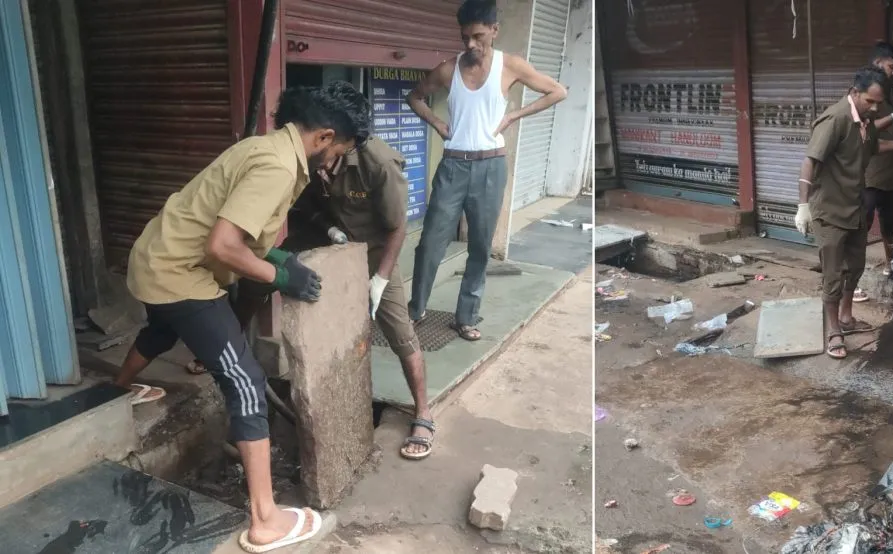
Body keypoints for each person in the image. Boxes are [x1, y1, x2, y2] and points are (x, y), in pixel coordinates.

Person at [112, 81, 370, 551]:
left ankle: (117, 389)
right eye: (338, 153)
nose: (334, 163)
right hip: (179, 275)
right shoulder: (275, 166)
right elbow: (223, 246)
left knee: (163, 329)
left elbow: (233, 226)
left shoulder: (265, 149)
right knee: (246, 380)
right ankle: (265, 519)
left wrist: (275, 256)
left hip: (154, 258)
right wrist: (279, 275)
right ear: (325, 137)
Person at [230, 130, 438, 461]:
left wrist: (381, 278)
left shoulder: (380, 163)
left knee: (400, 331)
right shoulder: (309, 154)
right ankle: (229, 340)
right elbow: (300, 206)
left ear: (345, 142)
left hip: (373, 251)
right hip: (325, 239)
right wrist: (326, 228)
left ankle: (424, 413)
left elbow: (397, 227)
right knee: (258, 277)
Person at [404, 0, 567, 341]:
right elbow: (415, 96)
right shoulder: (448, 69)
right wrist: (436, 122)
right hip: (453, 166)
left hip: (491, 167)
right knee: (432, 241)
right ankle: (415, 309)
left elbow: (557, 91)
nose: (471, 45)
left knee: (480, 245)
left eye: (478, 36)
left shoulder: (511, 66)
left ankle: (466, 317)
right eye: (465, 37)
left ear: (494, 30)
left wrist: (513, 116)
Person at [793, 66, 893, 360]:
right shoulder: (836, 119)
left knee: (856, 265)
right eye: (870, 101)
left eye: (879, 103)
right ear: (854, 93)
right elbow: (809, 162)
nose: (875, 108)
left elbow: (873, 147)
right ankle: (833, 330)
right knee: (833, 273)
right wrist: (803, 206)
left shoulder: (864, 121)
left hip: (854, 206)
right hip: (829, 211)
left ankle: (847, 318)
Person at [853, 41, 893, 303]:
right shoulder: (865, 94)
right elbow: (864, 135)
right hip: (869, 178)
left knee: (890, 226)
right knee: (860, 229)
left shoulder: (886, 94)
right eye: (892, 66)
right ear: (878, 62)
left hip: (890, 177)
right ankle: (851, 280)